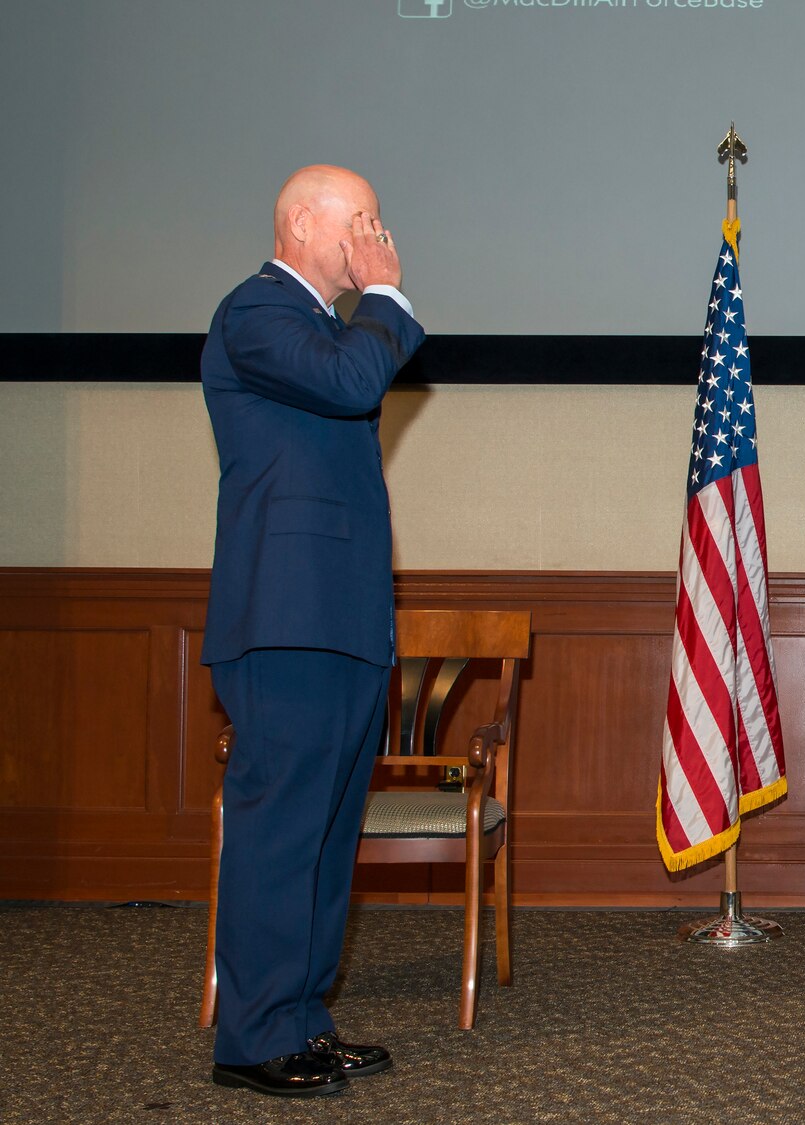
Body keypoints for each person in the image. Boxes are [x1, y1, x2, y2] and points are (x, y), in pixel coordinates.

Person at [201, 165, 424, 1097]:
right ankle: (250, 1040)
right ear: (301, 223)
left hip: (340, 620)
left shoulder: (329, 329)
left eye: (377, 219)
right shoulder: (255, 314)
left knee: (329, 835)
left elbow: (352, 375)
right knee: (280, 830)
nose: (375, 235)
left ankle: (300, 1018)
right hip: (284, 618)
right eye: (359, 220)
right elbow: (351, 380)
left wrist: (369, 302)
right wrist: (386, 292)